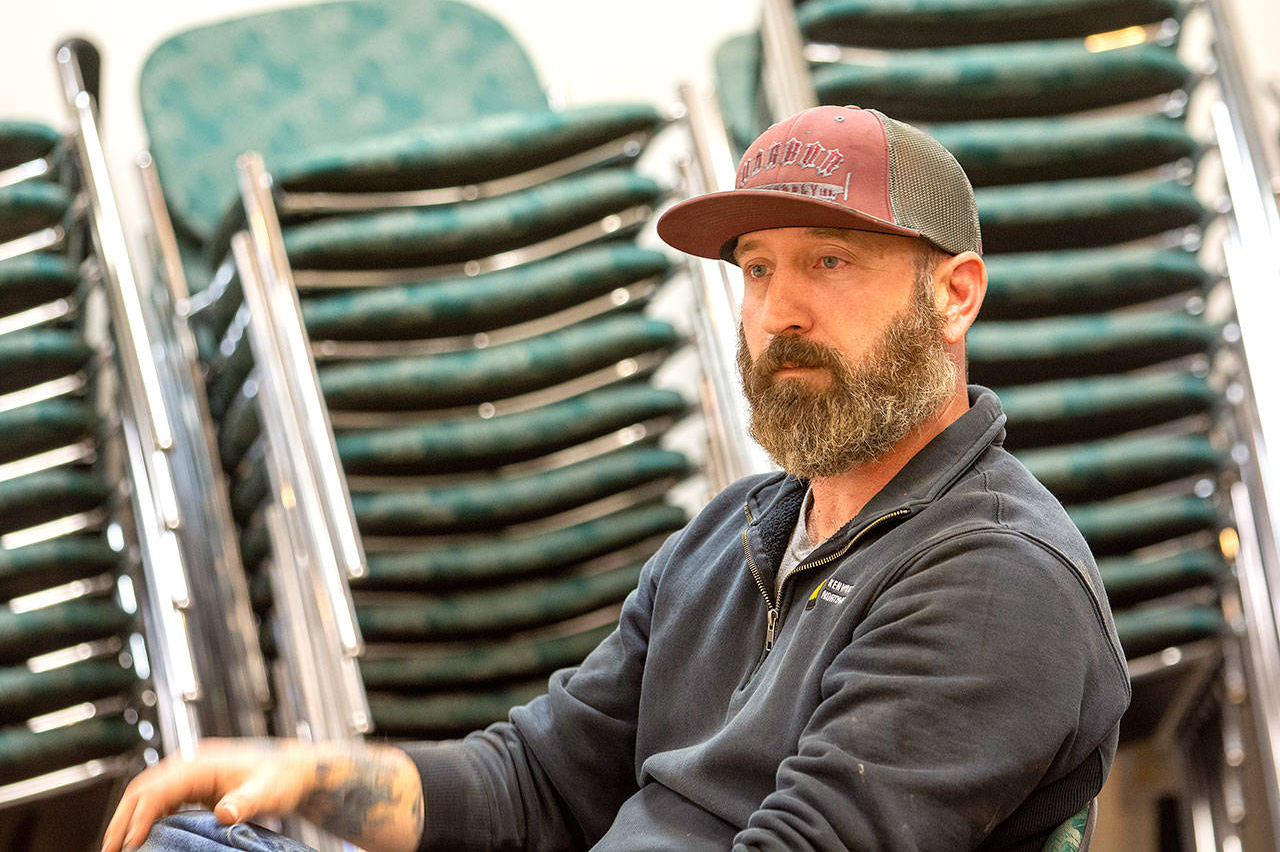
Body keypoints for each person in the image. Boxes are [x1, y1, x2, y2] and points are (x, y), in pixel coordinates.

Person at [102, 105, 1129, 852]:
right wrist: (308, 774)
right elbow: (532, 781)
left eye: (830, 263)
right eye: (756, 267)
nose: (777, 314)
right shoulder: (737, 533)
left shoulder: (996, 578)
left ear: (953, 297)